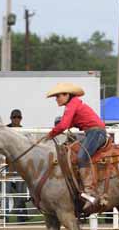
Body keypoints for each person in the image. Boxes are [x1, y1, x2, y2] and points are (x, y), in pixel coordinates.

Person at [46, 83, 107, 211]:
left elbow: (63, 125)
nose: (56, 99)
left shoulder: (71, 105)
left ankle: (90, 191)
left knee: (81, 157)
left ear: (66, 95)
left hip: (95, 132)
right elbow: (67, 123)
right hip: (94, 132)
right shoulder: (75, 105)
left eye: (58, 96)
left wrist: (51, 134)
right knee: (74, 154)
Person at [5, 108, 27, 222]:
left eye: (18, 117)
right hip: (8, 166)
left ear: (21, 118)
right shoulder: (6, 129)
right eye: (14, 117)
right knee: (6, 192)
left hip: (20, 166)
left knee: (20, 192)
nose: (16, 119)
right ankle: (5, 217)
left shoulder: (24, 131)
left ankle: (21, 217)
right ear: (11, 118)